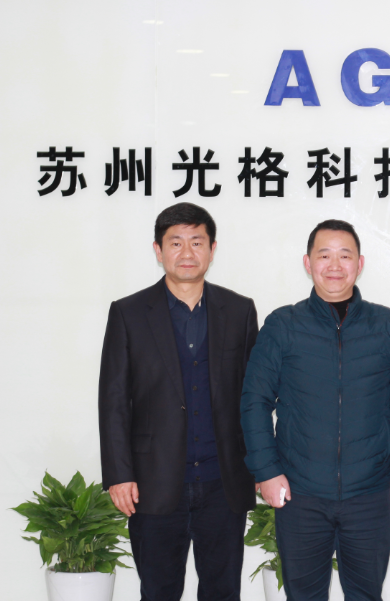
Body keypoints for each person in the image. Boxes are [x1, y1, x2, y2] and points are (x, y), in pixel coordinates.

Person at [240, 219, 390, 601]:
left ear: (360, 263)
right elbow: (254, 401)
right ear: (308, 263)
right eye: (324, 255)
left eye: (345, 255)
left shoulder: (387, 325)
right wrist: (267, 471)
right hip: (301, 493)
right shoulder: (283, 325)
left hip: (368, 493)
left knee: (366, 595)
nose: (334, 265)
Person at [98, 202, 258, 601]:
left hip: (223, 483)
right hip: (153, 482)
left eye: (197, 242)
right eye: (176, 243)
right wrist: (119, 474)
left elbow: (253, 396)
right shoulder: (128, 313)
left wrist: (262, 466)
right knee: (158, 592)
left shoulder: (240, 310)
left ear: (212, 249)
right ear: (158, 250)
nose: (187, 253)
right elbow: (113, 399)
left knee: (223, 592)